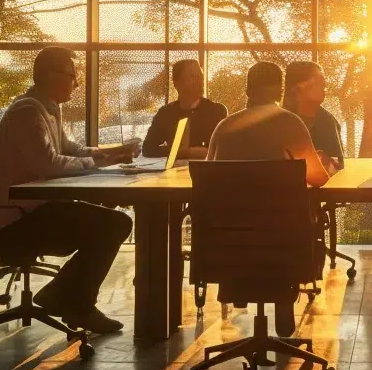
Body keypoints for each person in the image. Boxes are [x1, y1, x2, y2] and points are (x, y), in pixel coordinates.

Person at [0, 47, 137, 334]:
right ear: (50, 76)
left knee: (111, 220)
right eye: (72, 76)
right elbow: (49, 165)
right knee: (115, 223)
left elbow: (71, 150)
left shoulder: (48, 108)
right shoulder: (27, 111)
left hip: (36, 209)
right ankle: (74, 302)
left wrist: (111, 153)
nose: (77, 84)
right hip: (16, 219)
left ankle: (64, 297)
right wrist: (97, 161)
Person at [207, 61, 334, 337]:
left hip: (233, 244)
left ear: (248, 88)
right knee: (293, 224)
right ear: (280, 89)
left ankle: (260, 290)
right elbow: (318, 178)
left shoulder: (224, 126)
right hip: (282, 242)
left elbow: (210, 179)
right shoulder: (289, 122)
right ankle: (282, 296)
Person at [142, 59, 228, 160]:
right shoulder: (165, 113)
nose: (199, 80)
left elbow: (225, 148)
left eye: (200, 76)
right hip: (173, 173)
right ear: (177, 83)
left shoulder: (217, 111)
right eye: (193, 77)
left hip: (206, 172)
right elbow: (148, 149)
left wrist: (189, 152)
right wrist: (177, 151)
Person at [283, 61, 344, 170]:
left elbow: (337, 167)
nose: (324, 89)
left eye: (324, 85)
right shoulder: (278, 121)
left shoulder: (328, 122)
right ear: (298, 87)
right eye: (319, 83)